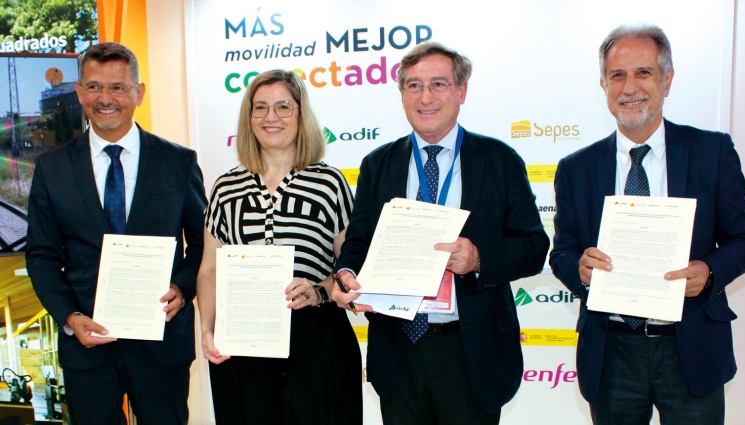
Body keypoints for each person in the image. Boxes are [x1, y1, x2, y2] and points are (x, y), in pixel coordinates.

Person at [550, 23, 745, 425]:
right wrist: (579, 269)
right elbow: (562, 252)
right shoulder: (576, 169)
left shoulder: (711, 152)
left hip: (690, 348)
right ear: (603, 86)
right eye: (617, 75)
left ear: (667, 79)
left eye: (643, 73)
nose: (630, 88)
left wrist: (709, 271)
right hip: (612, 352)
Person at [332, 41, 549, 425]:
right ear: (401, 95)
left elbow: (533, 246)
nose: (425, 97)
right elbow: (358, 242)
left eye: (438, 84)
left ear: (461, 91)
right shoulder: (377, 164)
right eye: (413, 86)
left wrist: (479, 258)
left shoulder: (499, 160)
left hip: (470, 349)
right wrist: (346, 273)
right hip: (397, 348)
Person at [25, 42, 206, 425]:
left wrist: (184, 287)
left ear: (138, 93)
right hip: (86, 347)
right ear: (78, 92)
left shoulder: (178, 162)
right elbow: (41, 256)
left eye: (117, 87)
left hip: (162, 343)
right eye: (93, 87)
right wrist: (70, 317)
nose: (105, 98)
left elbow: (202, 243)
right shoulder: (51, 169)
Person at [197, 70, 361, 425]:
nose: (271, 117)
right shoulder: (226, 188)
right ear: (249, 117)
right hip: (243, 341)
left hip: (317, 343)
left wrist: (319, 290)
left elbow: (352, 267)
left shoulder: (330, 183)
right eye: (260, 108)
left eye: (283, 107)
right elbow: (210, 269)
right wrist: (208, 328)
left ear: (301, 115)